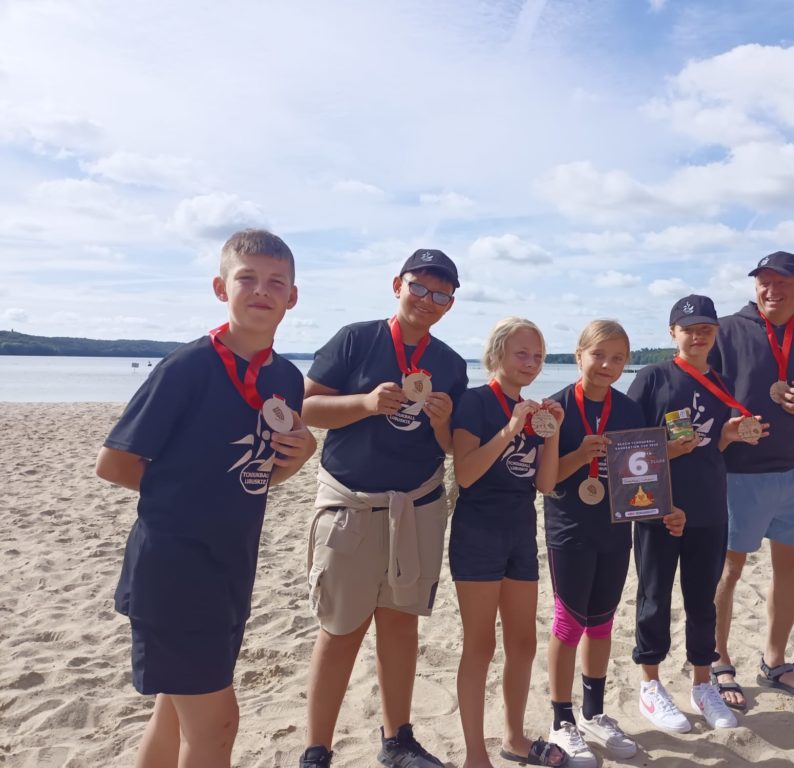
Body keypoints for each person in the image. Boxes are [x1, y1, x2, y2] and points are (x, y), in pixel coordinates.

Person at [95, 229, 317, 768]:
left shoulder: (286, 377)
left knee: (173, 711)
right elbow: (115, 464)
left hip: (231, 567)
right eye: (247, 279)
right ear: (222, 288)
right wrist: (193, 500)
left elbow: (258, 474)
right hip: (174, 569)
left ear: (293, 297)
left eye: (275, 282)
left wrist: (301, 454)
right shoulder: (187, 368)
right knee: (217, 724)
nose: (261, 291)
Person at [299, 249, 468, 768]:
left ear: (451, 303)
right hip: (351, 504)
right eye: (419, 287)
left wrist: (441, 421)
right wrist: (366, 403)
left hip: (417, 506)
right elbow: (306, 405)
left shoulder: (451, 365)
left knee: (400, 625)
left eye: (441, 294)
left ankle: (397, 740)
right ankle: (317, 750)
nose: (428, 300)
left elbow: (447, 446)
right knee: (340, 628)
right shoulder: (356, 339)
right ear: (397, 284)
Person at [543, 320, 684, 766]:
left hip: (614, 530)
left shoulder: (628, 410)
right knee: (569, 624)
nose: (607, 365)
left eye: (618, 358)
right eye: (598, 355)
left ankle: (593, 712)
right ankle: (561, 719)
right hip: (569, 528)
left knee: (602, 623)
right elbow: (544, 482)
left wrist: (667, 508)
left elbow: (642, 474)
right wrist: (580, 455)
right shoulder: (557, 407)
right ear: (579, 354)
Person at [627, 294, 767, 734]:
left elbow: (712, 447)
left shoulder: (721, 384)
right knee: (654, 599)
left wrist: (727, 435)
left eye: (705, 327)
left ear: (716, 333)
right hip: (659, 510)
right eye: (688, 328)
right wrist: (665, 460)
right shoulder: (652, 378)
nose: (698, 334)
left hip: (709, 505)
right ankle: (650, 684)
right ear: (672, 333)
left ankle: (702, 683)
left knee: (702, 600)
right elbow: (627, 451)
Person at [709, 251, 794, 710]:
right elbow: (698, 391)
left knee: (793, 571)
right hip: (737, 475)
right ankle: (718, 660)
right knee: (727, 571)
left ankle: (775, 662)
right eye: (764, 282)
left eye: (782, 283)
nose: (771, 290)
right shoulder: (725, 331)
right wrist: (723, 429)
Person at [450, 318, 567, 768]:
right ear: (497, 354)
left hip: (521, 531)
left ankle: (514, 738)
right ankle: (475, 754)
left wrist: (549, 434)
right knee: (480, 646)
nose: (532, 364)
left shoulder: (533, 411)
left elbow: (545, 483)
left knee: (524, 644)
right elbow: (465, 474)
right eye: (522, 354)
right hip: (477, 533)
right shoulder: (476, 404)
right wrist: (510, 429)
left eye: (538, 357)